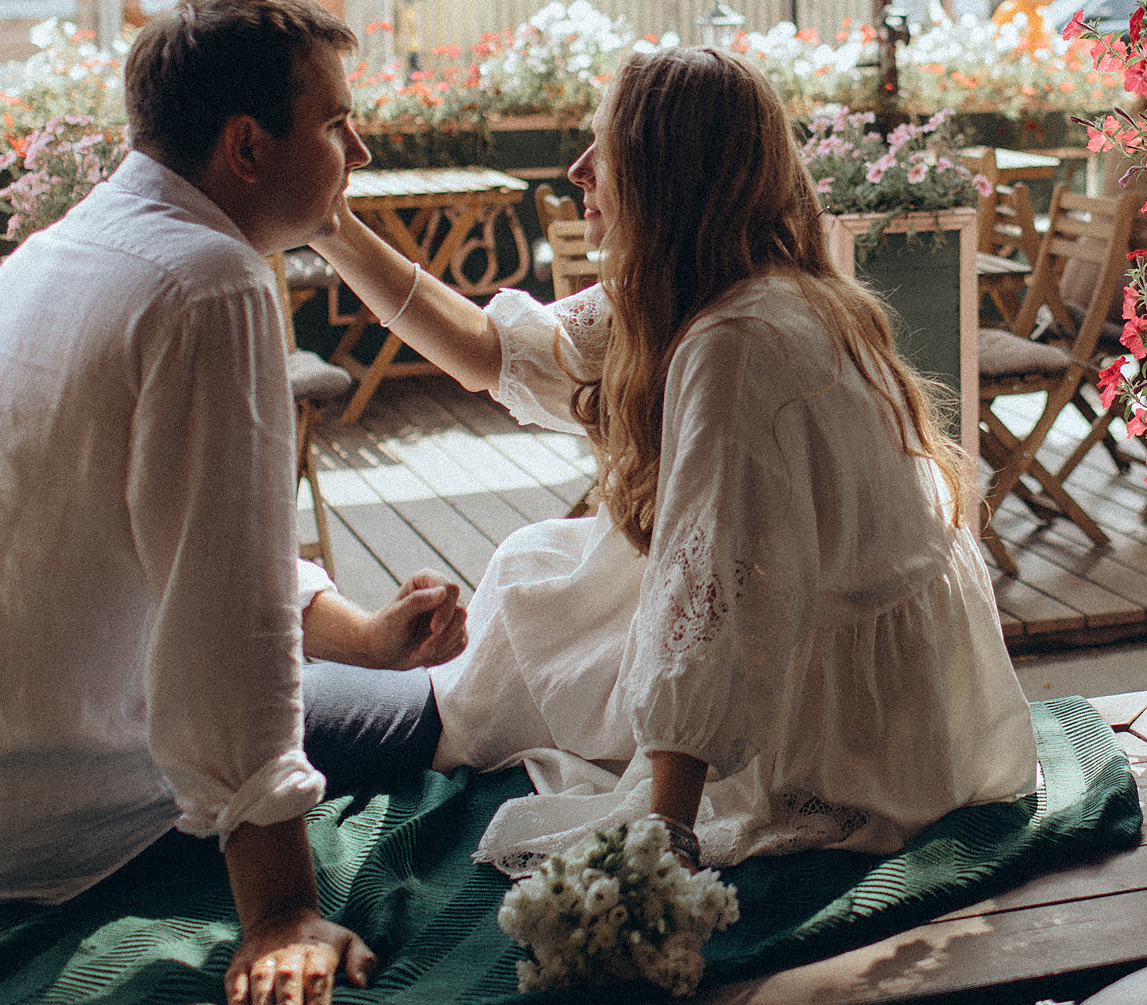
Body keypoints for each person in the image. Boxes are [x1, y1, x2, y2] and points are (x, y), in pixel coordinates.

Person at [0, 0, 468, 1005]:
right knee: (450, 718)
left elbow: (180, 535)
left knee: (387, 685)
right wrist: (278, 913)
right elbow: (225, 625)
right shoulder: (210, 279)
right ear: (247, 147)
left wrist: (361, 632)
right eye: (339, 123)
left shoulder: (71, 241)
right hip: (38, 820)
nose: (360, 152)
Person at [310, 45, 1039, 870]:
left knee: (511, 617)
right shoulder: (718, 286)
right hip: (852, 658)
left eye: (604, 150)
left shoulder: (739, 339)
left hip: (846, 738)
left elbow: (713, 602)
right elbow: (494, 352)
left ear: (666, 172)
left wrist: (663, 838)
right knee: (536, 577)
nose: (577, 170)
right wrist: (333, 228)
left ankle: (380, 720)